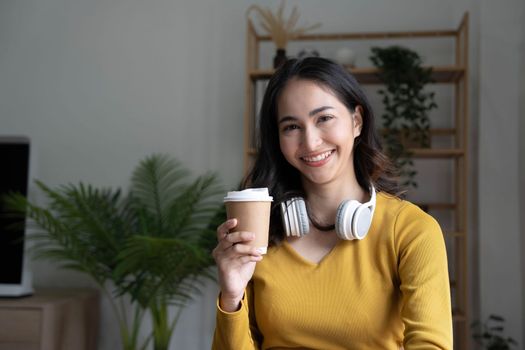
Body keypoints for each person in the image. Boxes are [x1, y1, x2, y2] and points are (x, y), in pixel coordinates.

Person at [212, 57, 452, 349]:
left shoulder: (412, 230)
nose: (310, 142)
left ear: (356, 121)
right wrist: (231, 296)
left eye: (323, 118)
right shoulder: (260, 232)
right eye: (291, 127)